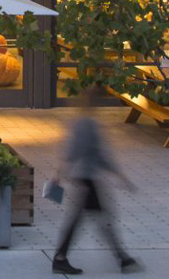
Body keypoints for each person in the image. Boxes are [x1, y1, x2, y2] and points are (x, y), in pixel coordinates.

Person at [51, 90, 139, 275]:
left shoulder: (80, 121)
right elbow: (92, 153)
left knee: (89, 219)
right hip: (87, 178)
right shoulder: (88, 123)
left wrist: (60, 172)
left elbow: (73, 150)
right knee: (99, 220)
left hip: (83, 177)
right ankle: (122, 259)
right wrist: (119, 174)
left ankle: (122, 258)